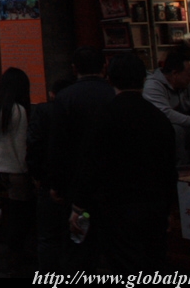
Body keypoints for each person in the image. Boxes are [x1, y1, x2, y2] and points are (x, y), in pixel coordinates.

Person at [72, 52, 176, 273]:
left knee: (123, 265)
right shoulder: (159, 118)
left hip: (116, 208)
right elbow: (169, 168)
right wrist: (168, 208)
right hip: (154, 206)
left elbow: (91, 164)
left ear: (109, 79)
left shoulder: (104, 116)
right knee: (153, 263)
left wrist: (79, 206)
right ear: (144, 79)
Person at [46, 47, 114, 270]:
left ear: (75, 69)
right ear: (104, 66)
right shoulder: (114, 94)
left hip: (75, 182)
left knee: (78, 243)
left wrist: (56, 184)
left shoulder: (65, 97)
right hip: (112, 182)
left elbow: (58, 145)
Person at [0, 67, 33, 272]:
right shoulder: (18, 111)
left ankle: (5, 243)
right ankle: (16, 255)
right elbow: (21, 146)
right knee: (20, 214)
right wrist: (27, 171)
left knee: (9, 210)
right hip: (16, 171)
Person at [27, 75, 75, 272]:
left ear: (52, 94)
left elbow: (34, 145)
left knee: (48, 236)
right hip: (75, 183)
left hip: (48, 181)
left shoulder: (43, 111)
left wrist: (37, 175)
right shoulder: (77, 110)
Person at [143, 47, 190, 165]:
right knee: (176, 130)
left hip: (186, 126)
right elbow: (166, 114)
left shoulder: (186, 85)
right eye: (189, 74)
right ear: (175, 74)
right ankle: (182, 170)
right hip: (162, 129)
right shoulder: (153, 86)